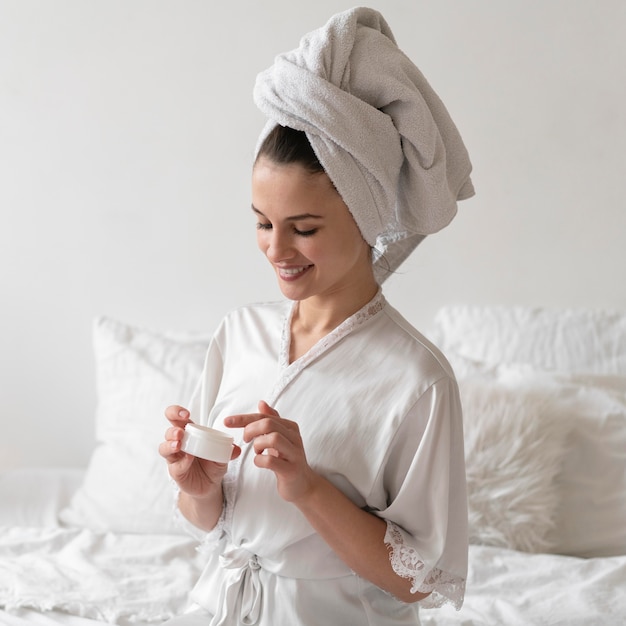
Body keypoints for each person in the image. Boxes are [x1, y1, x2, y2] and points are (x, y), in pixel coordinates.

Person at [159, 7, 473, 625]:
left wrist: (308, 487)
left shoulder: (417, 380)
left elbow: (421, 579)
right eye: (262, 222)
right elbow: (214, 523)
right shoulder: (239, 333)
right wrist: (197, 490)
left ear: (366, 216)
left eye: (303, 228)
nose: (276, 250)